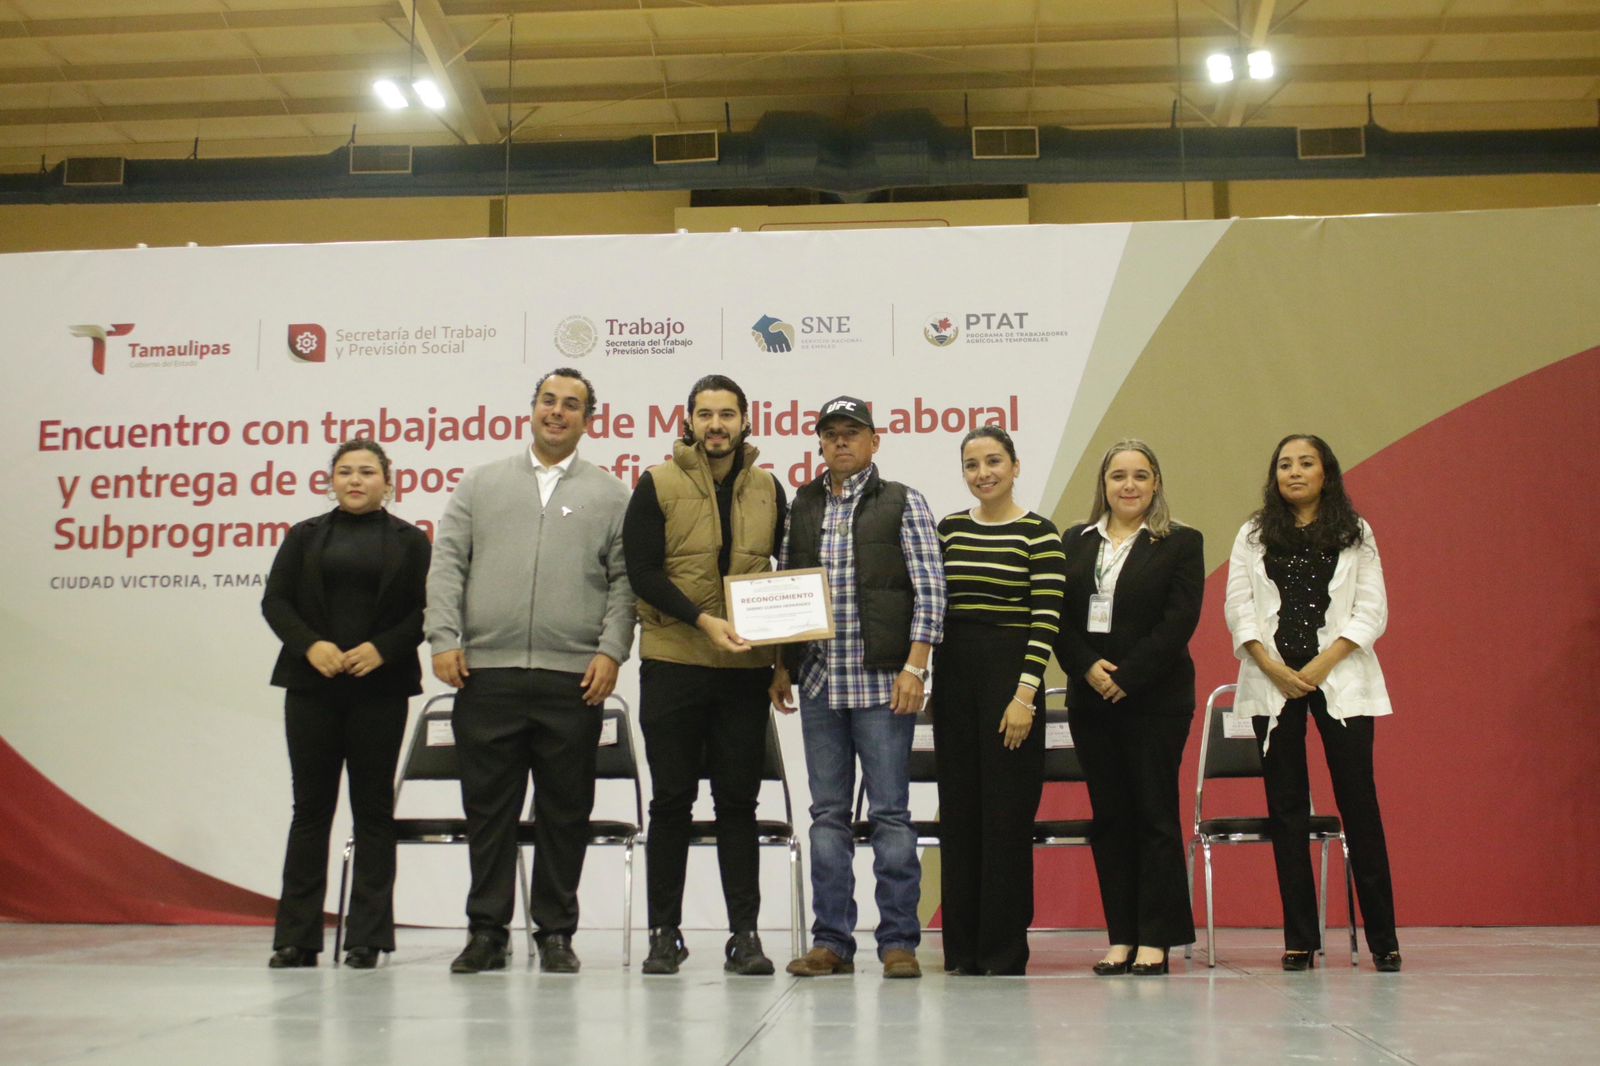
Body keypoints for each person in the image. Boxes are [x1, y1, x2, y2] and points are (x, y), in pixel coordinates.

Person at [425, 367, 635, 975]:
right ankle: (486, 932)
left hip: (573, 680)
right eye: (549, 401)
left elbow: (625, 584)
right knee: (488, 811)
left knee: (564, 812)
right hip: (484, 675)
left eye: (572, 405)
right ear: (533, 408)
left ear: (588, 420)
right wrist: (443, 637)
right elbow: (447, 567)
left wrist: (611, 650)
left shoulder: (610, 494)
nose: (557, 412)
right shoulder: (480, 484)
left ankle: (555, 932)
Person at [770, 395, 946, 980]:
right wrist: (781, 664)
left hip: (883, 685)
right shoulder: (803, 504)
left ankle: (898, 942)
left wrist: (916, 668)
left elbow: (931, 592)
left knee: (892, 816)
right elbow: (787, 590)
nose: (842, 442)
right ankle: (832, 944)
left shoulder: (902, 502)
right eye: (832, 434)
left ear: (875, 441)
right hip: (820, 683)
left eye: (853, 433)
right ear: (819, 444)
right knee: (827, 816)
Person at [623, 374, 788, 976]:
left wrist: (780, 663)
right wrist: (700, 620)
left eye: (727, 413)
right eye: (705, 414)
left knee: (738, 805)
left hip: (743, 672)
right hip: (673, 665)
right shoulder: (656, 483)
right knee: (670, 801)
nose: (716, 424)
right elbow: (641, 571)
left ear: (746, 419)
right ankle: (665, 934)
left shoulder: (770, 488)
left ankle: (744, 935)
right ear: (687, 421)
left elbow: (784, 576)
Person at [1224, 434, 1401, 973]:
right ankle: (1299, 937)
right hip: (1273, 685)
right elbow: (1239, 608)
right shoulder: (1254, 533)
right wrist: (1273, 667)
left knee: (1359, 806)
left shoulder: (1355, 531)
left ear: (1327, 472)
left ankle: (1384, 941)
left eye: (1306, 463)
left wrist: (1322, 665)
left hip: (1339, 680)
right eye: (1284, 464)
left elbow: (1372, 610)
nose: (1295, 472)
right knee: (1287, 812)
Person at [261, 438, 432, 970]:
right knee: (310, 811)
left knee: (373, 813)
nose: (355, 480)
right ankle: (297, 939)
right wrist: (311, 644)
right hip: (312, 689)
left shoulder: (412, 542)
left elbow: (429, 609)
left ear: (389, 481)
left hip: (378, 692)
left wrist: (383, 649)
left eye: (367, 472)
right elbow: (276, 601)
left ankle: (367, 937)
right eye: (345, 472)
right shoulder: (304, 536)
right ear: (331, 481)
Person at [1056, 438, 1203, 976]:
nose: (1129, 485)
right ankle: (1121, 936)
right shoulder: (1075, 541)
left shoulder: (1181, 541)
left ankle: (1156, 938)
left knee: (1154, 816)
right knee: (1111, 819)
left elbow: (1179, 620)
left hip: (1155, 702)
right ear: (1104, 484)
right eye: (1118, 475)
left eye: (1141, 475)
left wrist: (1130, 678)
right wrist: (1087, 668)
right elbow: (1057, 617)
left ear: (1156, 482)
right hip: (1091, 700)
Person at [931, 426, 1064, 976]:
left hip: (1012, 678)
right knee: (960, 817)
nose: (982, 472)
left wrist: (1025, 695)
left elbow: (1046, 620)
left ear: (1014, 466)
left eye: (993, 461)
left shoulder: (1040, 534)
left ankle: (1003, 952)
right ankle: (961, 951)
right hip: (955, 676)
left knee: (1006, 818)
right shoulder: (949, 531)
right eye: (971, 464)